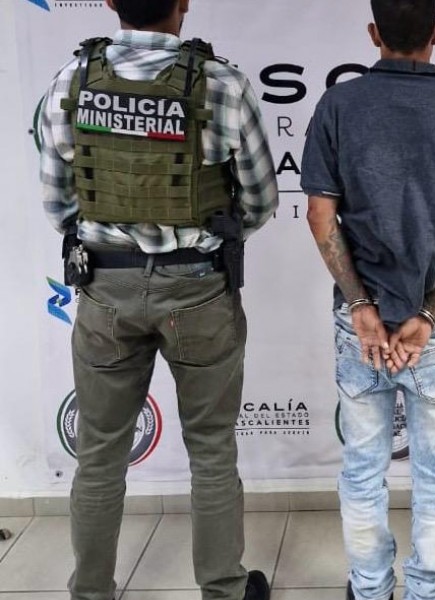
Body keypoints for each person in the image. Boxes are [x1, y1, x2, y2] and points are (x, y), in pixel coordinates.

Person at [39, 0, 278, 598]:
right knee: (212, 449)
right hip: (198, 289)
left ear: (110, 2)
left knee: (99, 452)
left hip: (104, 289)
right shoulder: (222, 84)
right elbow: (259, 200)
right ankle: (224, 590)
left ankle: (90, 592)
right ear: (183, 4)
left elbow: (57, 203)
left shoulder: (70, 81)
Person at [302, 1, 435, 598]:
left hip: (359, 321)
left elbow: (320, 216)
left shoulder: (338, 105)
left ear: (373, 33)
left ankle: (368, 589)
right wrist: (428, 313)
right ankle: (429, 592)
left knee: (363, 468)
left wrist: (362, 306)